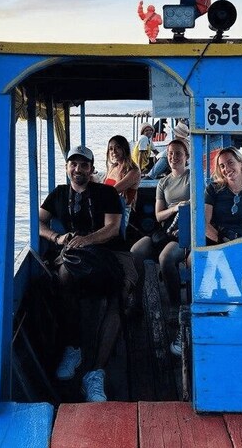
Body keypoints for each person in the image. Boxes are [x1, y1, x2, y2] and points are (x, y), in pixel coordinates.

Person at [38, 144, 128, 402]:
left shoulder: (107, 192)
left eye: (84, 165)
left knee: (120, 294)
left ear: (91, 169)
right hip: (75, 256)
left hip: (110, 253)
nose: (78, 170)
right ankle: (74, 346)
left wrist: (86, 240)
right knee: (62, 278)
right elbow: (38, 220)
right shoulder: (58, 194)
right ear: (67, 168)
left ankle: (95, 372)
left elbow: (112, 229)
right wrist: (57, 237)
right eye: (73, 165)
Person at [131, 139, 191, 304]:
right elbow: (158, 216)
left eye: (178, 153)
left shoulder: (192, 178)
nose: (173, 157)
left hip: (184, 233)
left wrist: (183, 207)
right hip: (166, 231)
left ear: (186, 156)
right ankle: (137, 301)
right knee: (136, 251)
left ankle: (175, 307)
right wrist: (174, 208)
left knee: (166, 258)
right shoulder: (163, 183)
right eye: (170, 153)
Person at [103, 135, 141, 231]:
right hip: (106, 208)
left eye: (118, 147)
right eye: (111, 149)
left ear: (125, 149)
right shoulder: (112, 168)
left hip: (120, 212)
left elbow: (113, 191)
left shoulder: (133, 171)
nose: (113, 152)